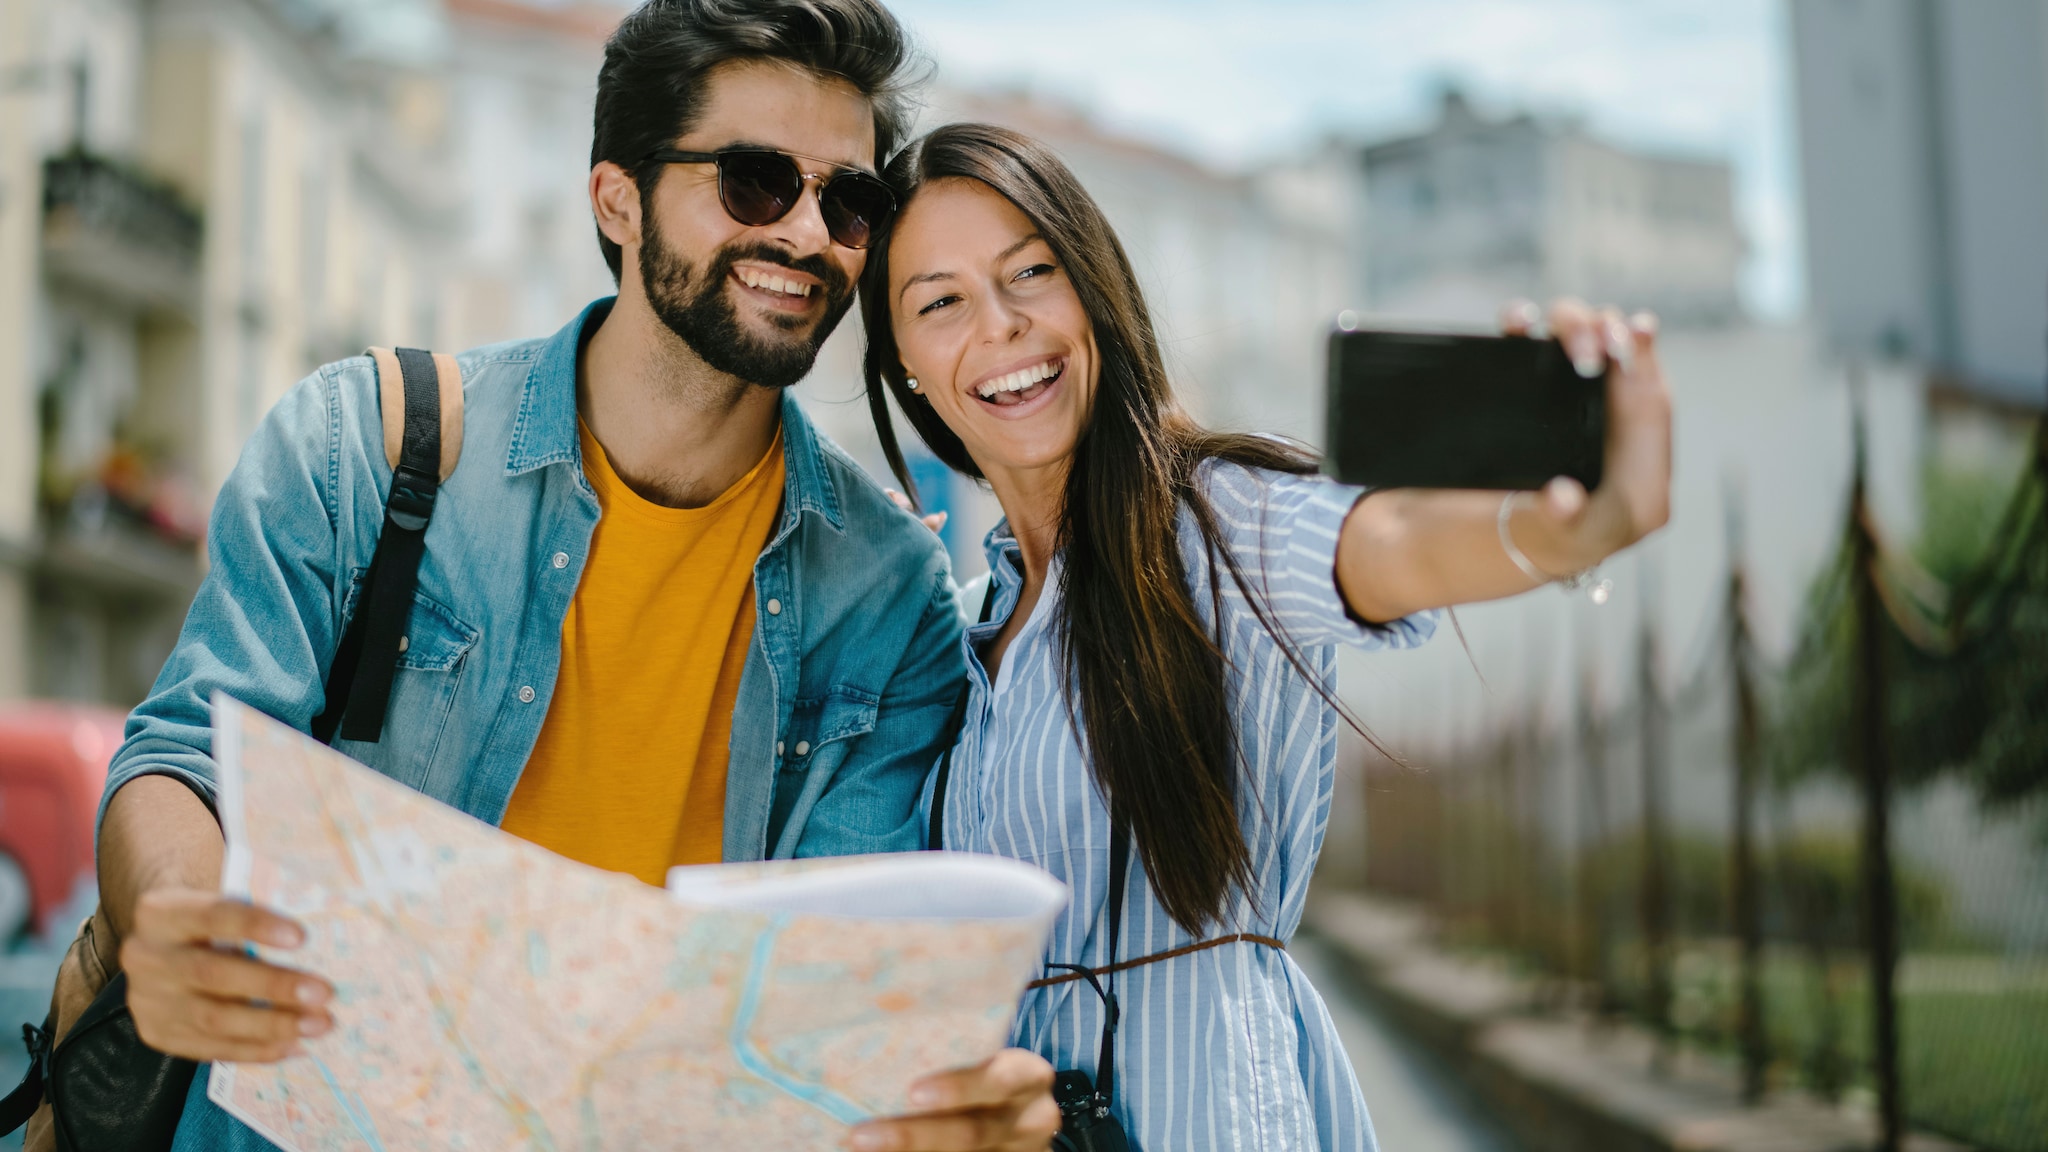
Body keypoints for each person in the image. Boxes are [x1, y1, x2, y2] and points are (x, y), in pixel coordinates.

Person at [91, 5, 1056, 1150]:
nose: (807, 234)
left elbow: (824, 998)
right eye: (753, 182)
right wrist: (177, 922)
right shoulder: (364, 443)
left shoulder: (887, 594)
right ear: (617, 197)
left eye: (847, 201)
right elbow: (188, 751)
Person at [859, 122, 1673, 1151]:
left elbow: (1391, 544)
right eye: (941, 302)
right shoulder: (969, 627)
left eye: (1032, 272)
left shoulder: (1219, 520)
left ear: (1096, 293)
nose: (1003, 325)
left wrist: (1560, 527)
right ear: (906, 366)